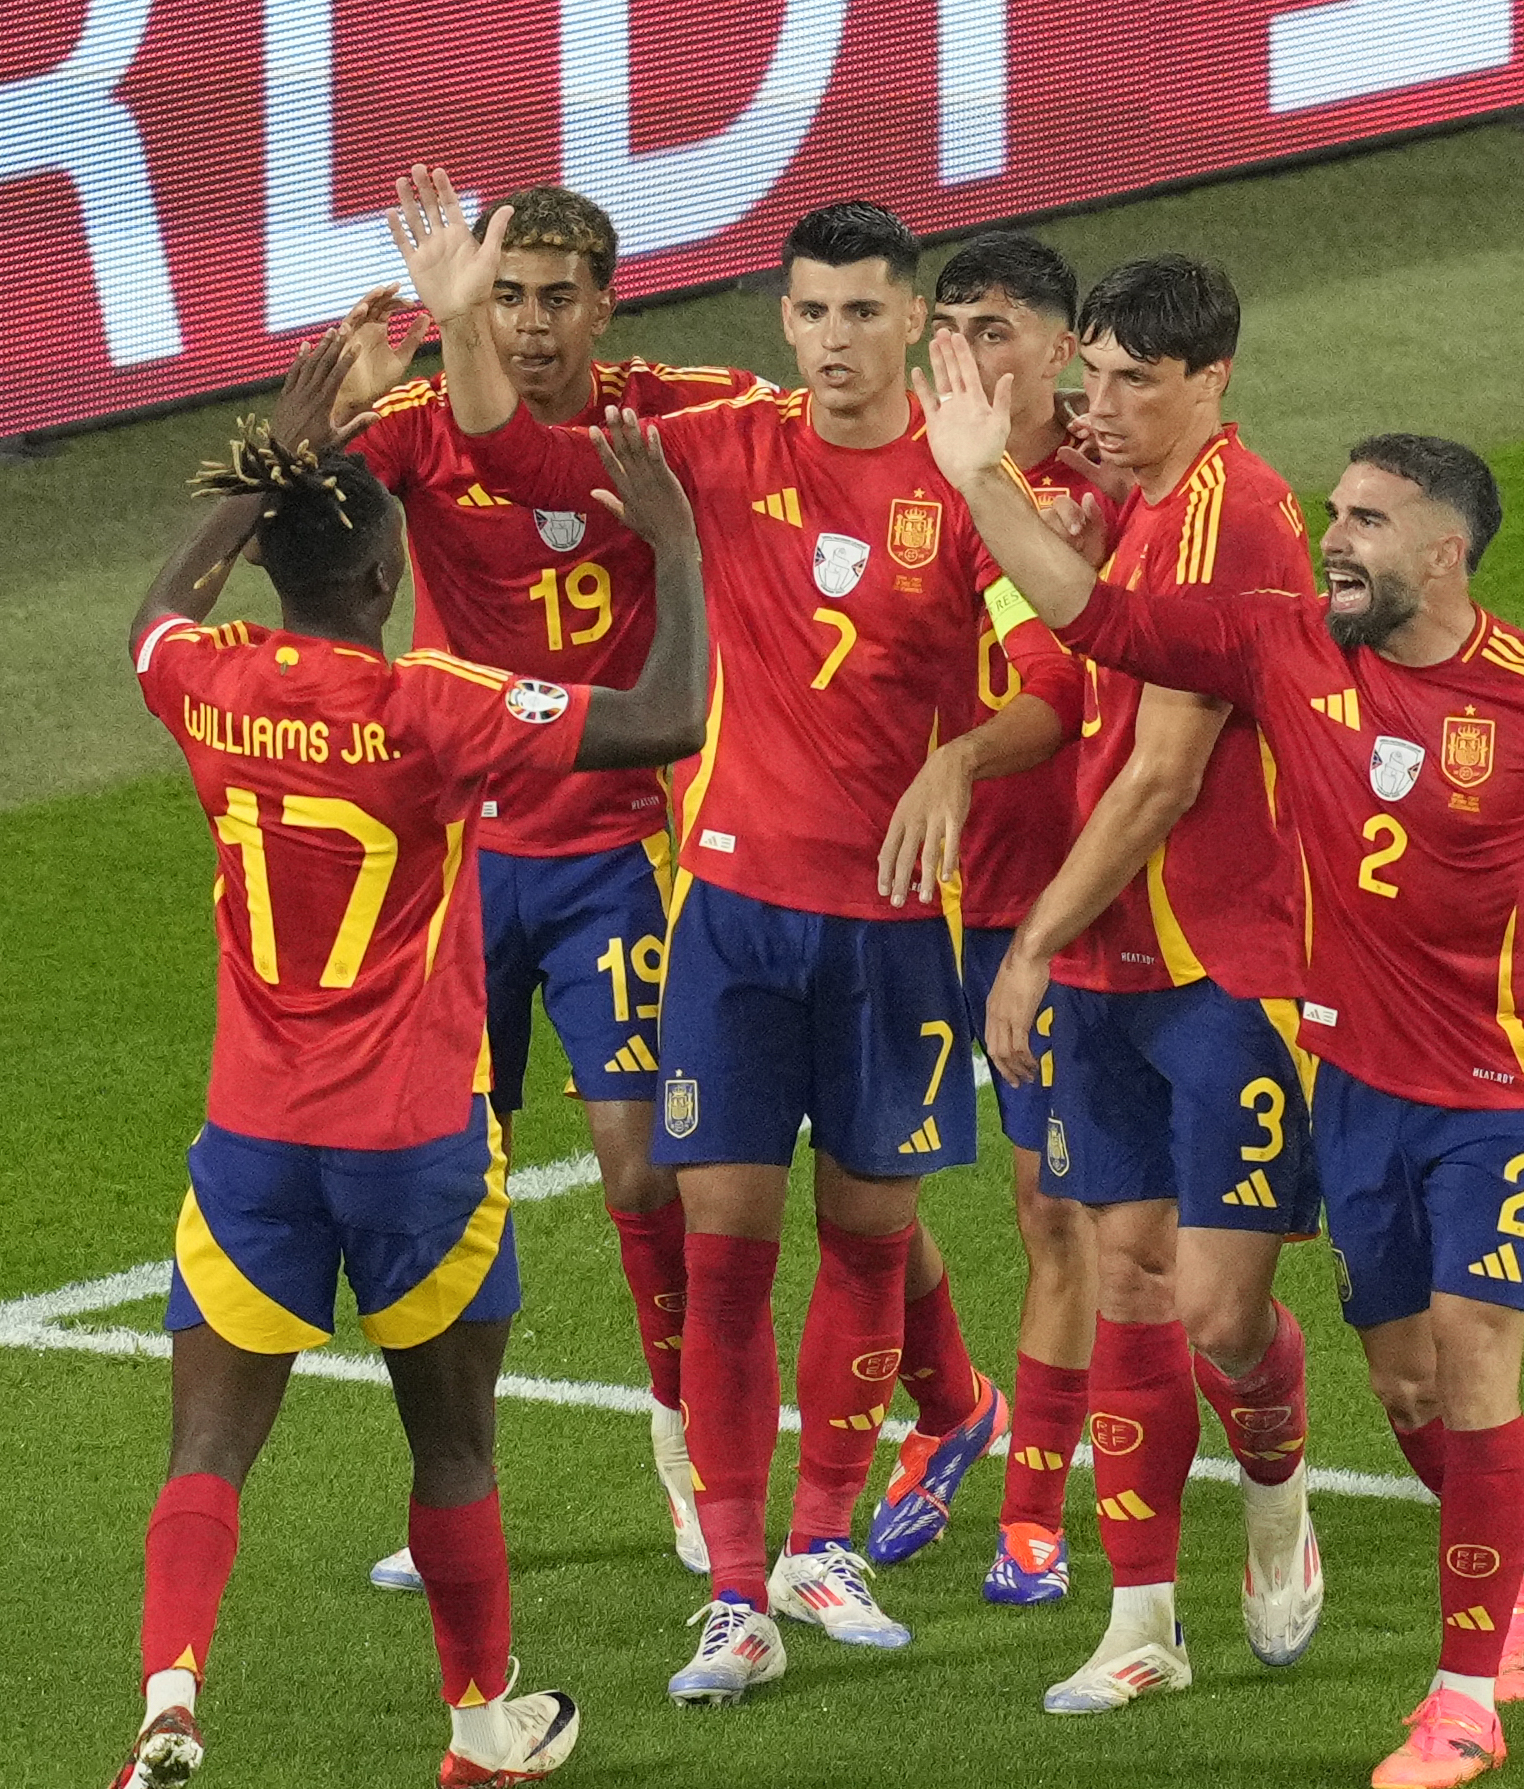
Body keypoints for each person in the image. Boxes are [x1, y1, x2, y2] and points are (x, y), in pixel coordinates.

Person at [919, 337, 1524, 1788]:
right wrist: (980, 479)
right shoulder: (1282, 649)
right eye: (1331, 516)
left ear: (1444, 551)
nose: (1328, 542)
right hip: (1355, 1097)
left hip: (1493, 1098)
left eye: (1361, 522)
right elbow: (1094, 619)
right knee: (1405, 1390)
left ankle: (1460, 1695)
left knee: (1472, 1364)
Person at [71, 336, 711, 1789]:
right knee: (454, 1452)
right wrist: (674, 546)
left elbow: (158, 612)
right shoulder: (430, 703)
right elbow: (667, 717)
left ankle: (168, 1696)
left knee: (207, 1453)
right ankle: (480, 1719)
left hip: (253, 1145)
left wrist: (267, 454)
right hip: (417, 1145)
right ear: (385, 569)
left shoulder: (207, 685)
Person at [390, 166, 1012, 1701]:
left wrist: (960, 757)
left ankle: (820, 1540)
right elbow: (509, 450)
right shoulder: (716, 453)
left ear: (911, 318)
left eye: (863, 313)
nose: (832, 340)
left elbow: (1067, 675)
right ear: (781, 322)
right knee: (723, 1254)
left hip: (889, 934)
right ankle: (736, 1592)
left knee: (863, 1243)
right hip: (729, 920)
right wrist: (460, 318)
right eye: (809, 313)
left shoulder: (964, 478)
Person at [900, 259, 1328, 1709]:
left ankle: (1275, 1492)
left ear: (1212, 382)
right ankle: (1141, 1624)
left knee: (1216, 1313)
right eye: (1094, 377)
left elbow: (1155, 779)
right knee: (1126, 1271)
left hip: (1226, 961)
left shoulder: (1233, 521)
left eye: (1138, 382)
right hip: (1109, 962)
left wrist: (1021, 944)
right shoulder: (1127, 492)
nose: (1104, 408)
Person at [322, 185, 765, 1587]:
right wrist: (330, 401)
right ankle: (451, 1490)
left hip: (612, 850)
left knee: (644, 1168)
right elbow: (285, 503)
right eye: (503, 296)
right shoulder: (417, 424)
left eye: (553, 297)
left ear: (605, 303)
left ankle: (693, 1453)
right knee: (446, 1185)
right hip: (459, 861)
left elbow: (801, 420)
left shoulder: (662, 415)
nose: (527, 323)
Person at [862, 231, 1097, 1600]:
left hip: (1052, 902)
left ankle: (1033, 1509)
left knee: (1053, 1212)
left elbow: (1065, 692)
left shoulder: (1107, 490)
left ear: (1061, 348)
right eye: (950, 325)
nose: (969, 353)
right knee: (862, 1186)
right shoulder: (895, 468)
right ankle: (954, 1411)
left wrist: (957, 759)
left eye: (998, 329)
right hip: (901, 891)